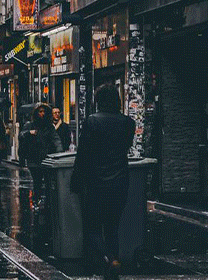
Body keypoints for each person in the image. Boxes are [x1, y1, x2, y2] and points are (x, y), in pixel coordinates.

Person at [72, 84, 135, 280]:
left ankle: (107, 259)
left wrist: (77, 180)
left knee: (92, 226)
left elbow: (84, 153)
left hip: (96, 182)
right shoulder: (128, 123)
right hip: (120, 182)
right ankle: (114, 257)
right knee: (112, 226)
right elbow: (125, 146)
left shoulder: (92, 121)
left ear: (98, 101)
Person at [20, 102, 62, 203]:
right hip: (33, 158)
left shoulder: (49, 127)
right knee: (37, 181)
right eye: (40, 111)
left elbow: (56, 139)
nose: (42, 114)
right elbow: (21, 136)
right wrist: (29, 133)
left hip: (45, 158)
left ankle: (46, 202)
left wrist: (59, 151)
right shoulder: (30, 125)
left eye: (44, 111)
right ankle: (36, 200)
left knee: (47, 182)